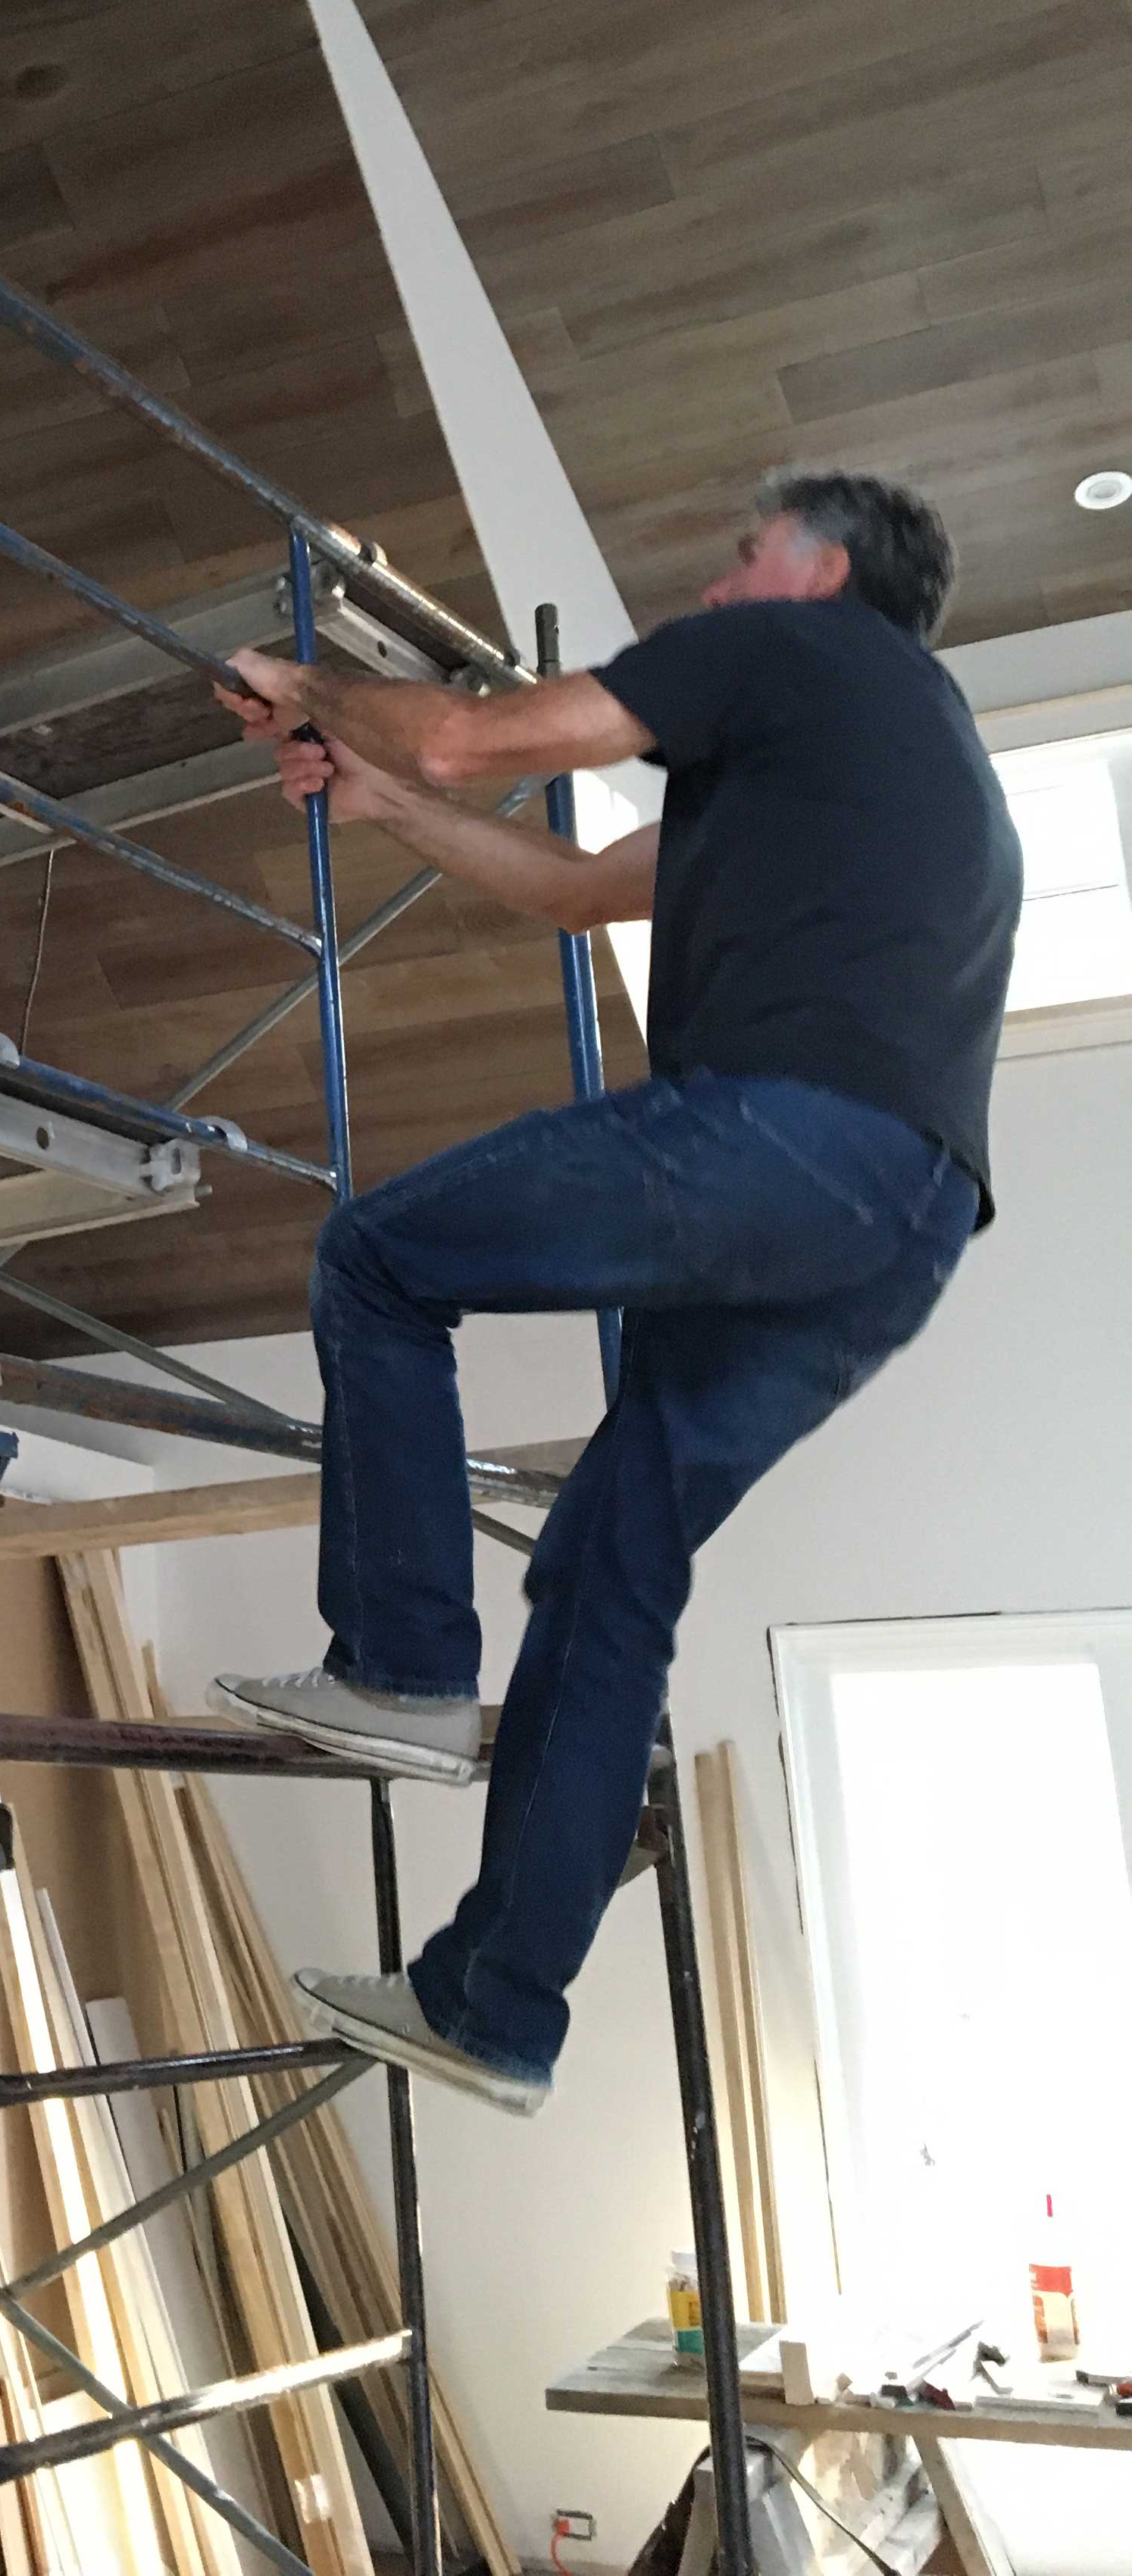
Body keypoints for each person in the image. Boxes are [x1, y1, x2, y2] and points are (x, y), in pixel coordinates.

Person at [213, 471, 1021, 2116]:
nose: (717, 588)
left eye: (745, 556)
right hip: (900, 1225)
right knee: (608, 1576)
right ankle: (492, 2008)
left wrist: (313, 686)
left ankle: (401, 1664)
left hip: (791, 1143)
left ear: (826, 569)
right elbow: (577, 889)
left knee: (377, 1258)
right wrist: (379, 797)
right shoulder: (868, 764)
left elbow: (472, 739)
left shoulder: (797, 654)